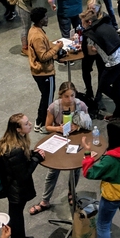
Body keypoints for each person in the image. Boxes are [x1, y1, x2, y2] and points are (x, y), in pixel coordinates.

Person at [30, 82, 91, 215]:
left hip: (76, 139)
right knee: (53, 171)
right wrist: (58, 128)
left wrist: (78, 127)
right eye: (66, 96)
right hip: (59, 140)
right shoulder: (54, 107)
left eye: (72, 96)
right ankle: (45, 200)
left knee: (75, 169)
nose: (70, 99)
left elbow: (88, 123)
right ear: (60, 96)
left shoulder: (81, 105)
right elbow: (47, 126)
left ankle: (71, 192)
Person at [0, 113, 45, 238]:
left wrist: (33, 154)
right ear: (18, 129)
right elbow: (23, 175)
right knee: (17, 213)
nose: (30, 124)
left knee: (14, 211)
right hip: (16, 188)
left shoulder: (11, 142)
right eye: (26, 124)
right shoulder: (16, 150)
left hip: (11, 185)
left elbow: (20, 163)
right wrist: (37, 159)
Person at [81, 9, 120, 119]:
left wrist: (95, 48)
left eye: (83, 22)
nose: (82, 25)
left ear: (89, 22)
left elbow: (90, 52)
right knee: (117, 83)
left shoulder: (90, 33)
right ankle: (118, 114)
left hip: (114, 63)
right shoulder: (105, 23)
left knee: (103, 86)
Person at [27, 7, 63, 133]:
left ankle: (39, 121)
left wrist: (54, 51)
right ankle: (43, 124)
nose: (48, 18)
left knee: (45, 96)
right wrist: (57, 48)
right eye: (46, 17)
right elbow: (42, 57)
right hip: (44, 72)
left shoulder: (35, 30)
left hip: (40, 71)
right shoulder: (37, 36)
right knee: (48, 99)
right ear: (41, 20)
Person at [81, 0, 107, 103]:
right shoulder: (85, 16)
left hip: (100, 49)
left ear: (99, 7)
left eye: (93, 8)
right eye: (89, 8)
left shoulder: (104, 18)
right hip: (88, 48)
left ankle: (100, 92)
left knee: (101, 70)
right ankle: (89, 90)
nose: (91, 10)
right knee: (85, 70)